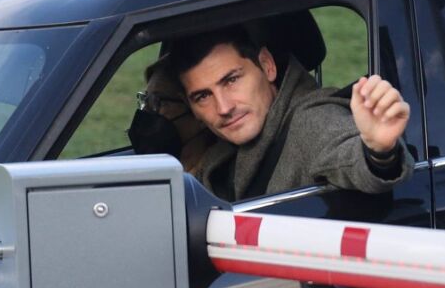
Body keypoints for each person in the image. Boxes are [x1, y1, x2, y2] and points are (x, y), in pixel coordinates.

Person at [167, 25, 413, 201]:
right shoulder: (213, 153)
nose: (223, 108)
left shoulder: (312, 121)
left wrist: (378, 151)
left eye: (231, 80)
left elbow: (349, 156)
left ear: (267, 66)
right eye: (203, 96)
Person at [127, 55, 215, 175]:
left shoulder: (218, 177)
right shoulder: (162, 172)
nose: (146, 111)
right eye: (145, 100)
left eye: (157, 101)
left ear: (199, 110)